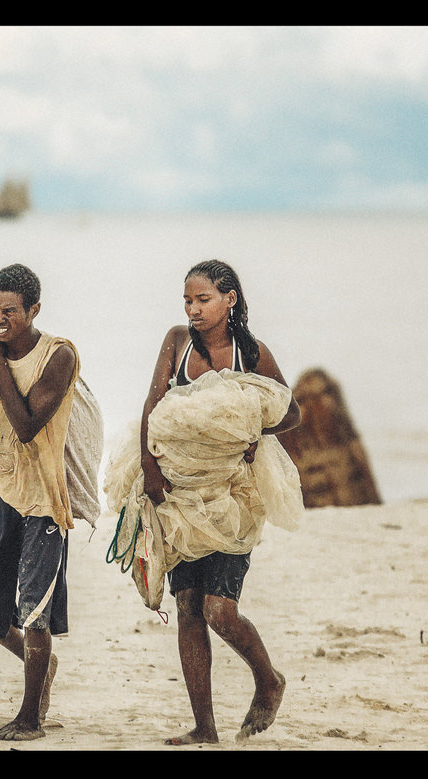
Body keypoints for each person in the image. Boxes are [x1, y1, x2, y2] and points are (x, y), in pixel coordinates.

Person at [138, 259, 301, 746]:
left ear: (229, 299)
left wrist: (255, 432)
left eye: (202, 300)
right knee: (187, 605)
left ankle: (267, 678)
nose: (192, 310)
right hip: (181, 496)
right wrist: (149, 467)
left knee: (219, 611)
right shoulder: (176, 341)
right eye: (187, 301)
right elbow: (153, 405)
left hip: (233, 498)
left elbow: (289, 411)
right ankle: (204, 728)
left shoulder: (251, 353)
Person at [0, 263, 79, 742]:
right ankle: (42, 669)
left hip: (42, 499)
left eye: (10, 311)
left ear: (34, 310)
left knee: (34, 610)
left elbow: (27, 425)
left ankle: (30, 717)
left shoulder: (59, 355)